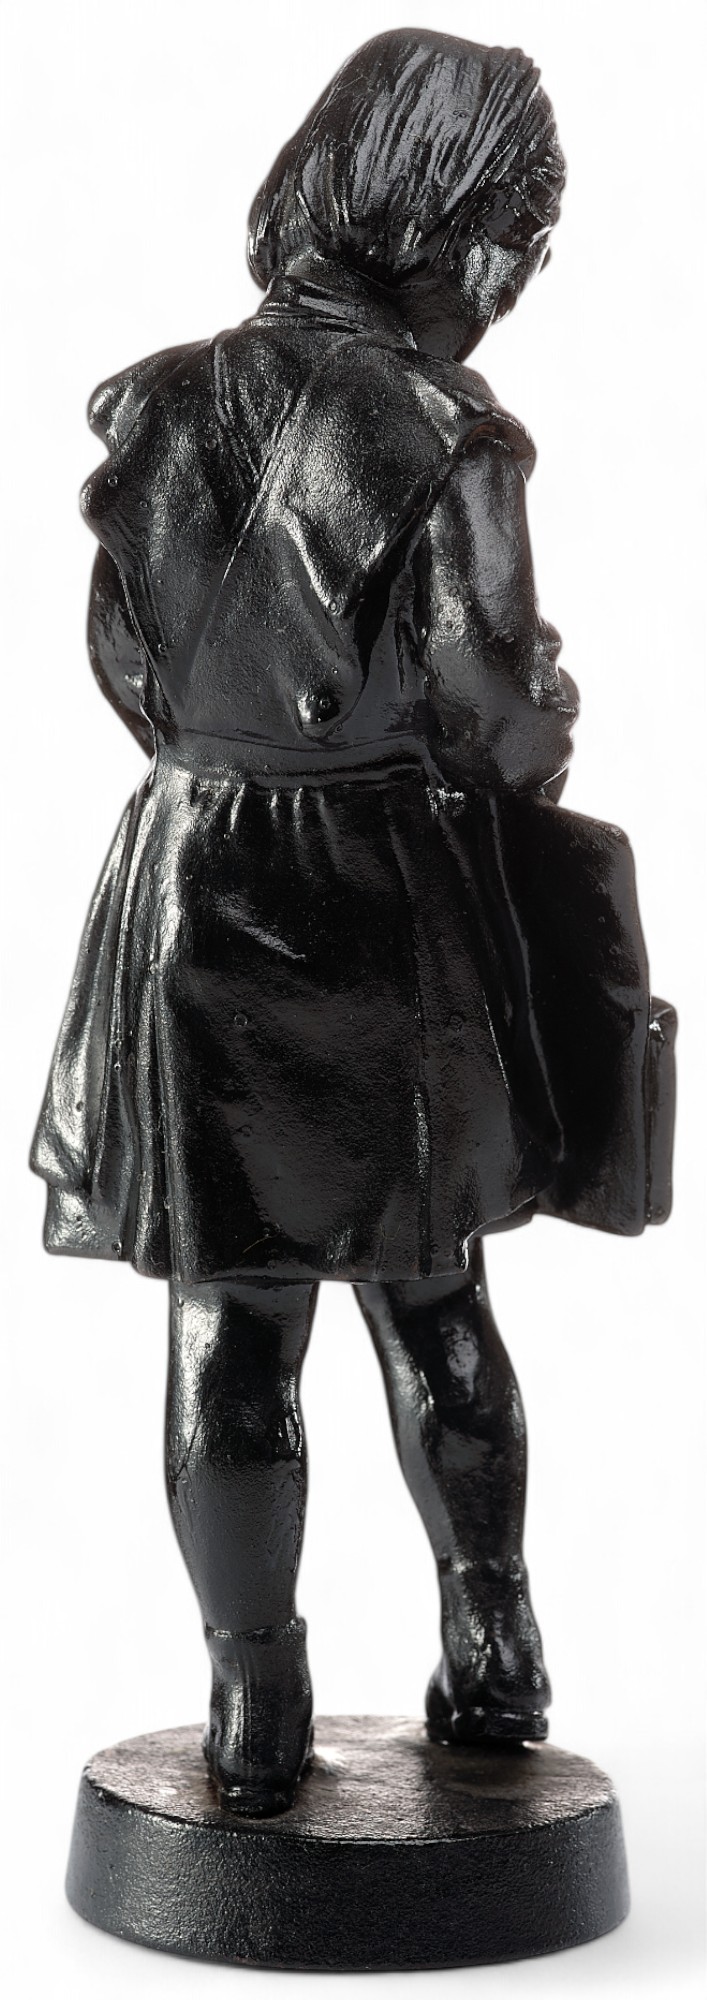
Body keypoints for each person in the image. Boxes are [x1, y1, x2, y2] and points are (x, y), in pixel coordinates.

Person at [31, 29, 670, 1816]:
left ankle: (253, 1702)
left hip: (196, 894)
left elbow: (130, 675)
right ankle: (492, 1638)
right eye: (518, 235)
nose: (518, 278)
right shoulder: (452, 436)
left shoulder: (155, 410)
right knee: (433, 1293)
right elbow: (492, 707)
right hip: (384, 904)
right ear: (445, 218)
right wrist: (545, 710)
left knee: (227, 1324)